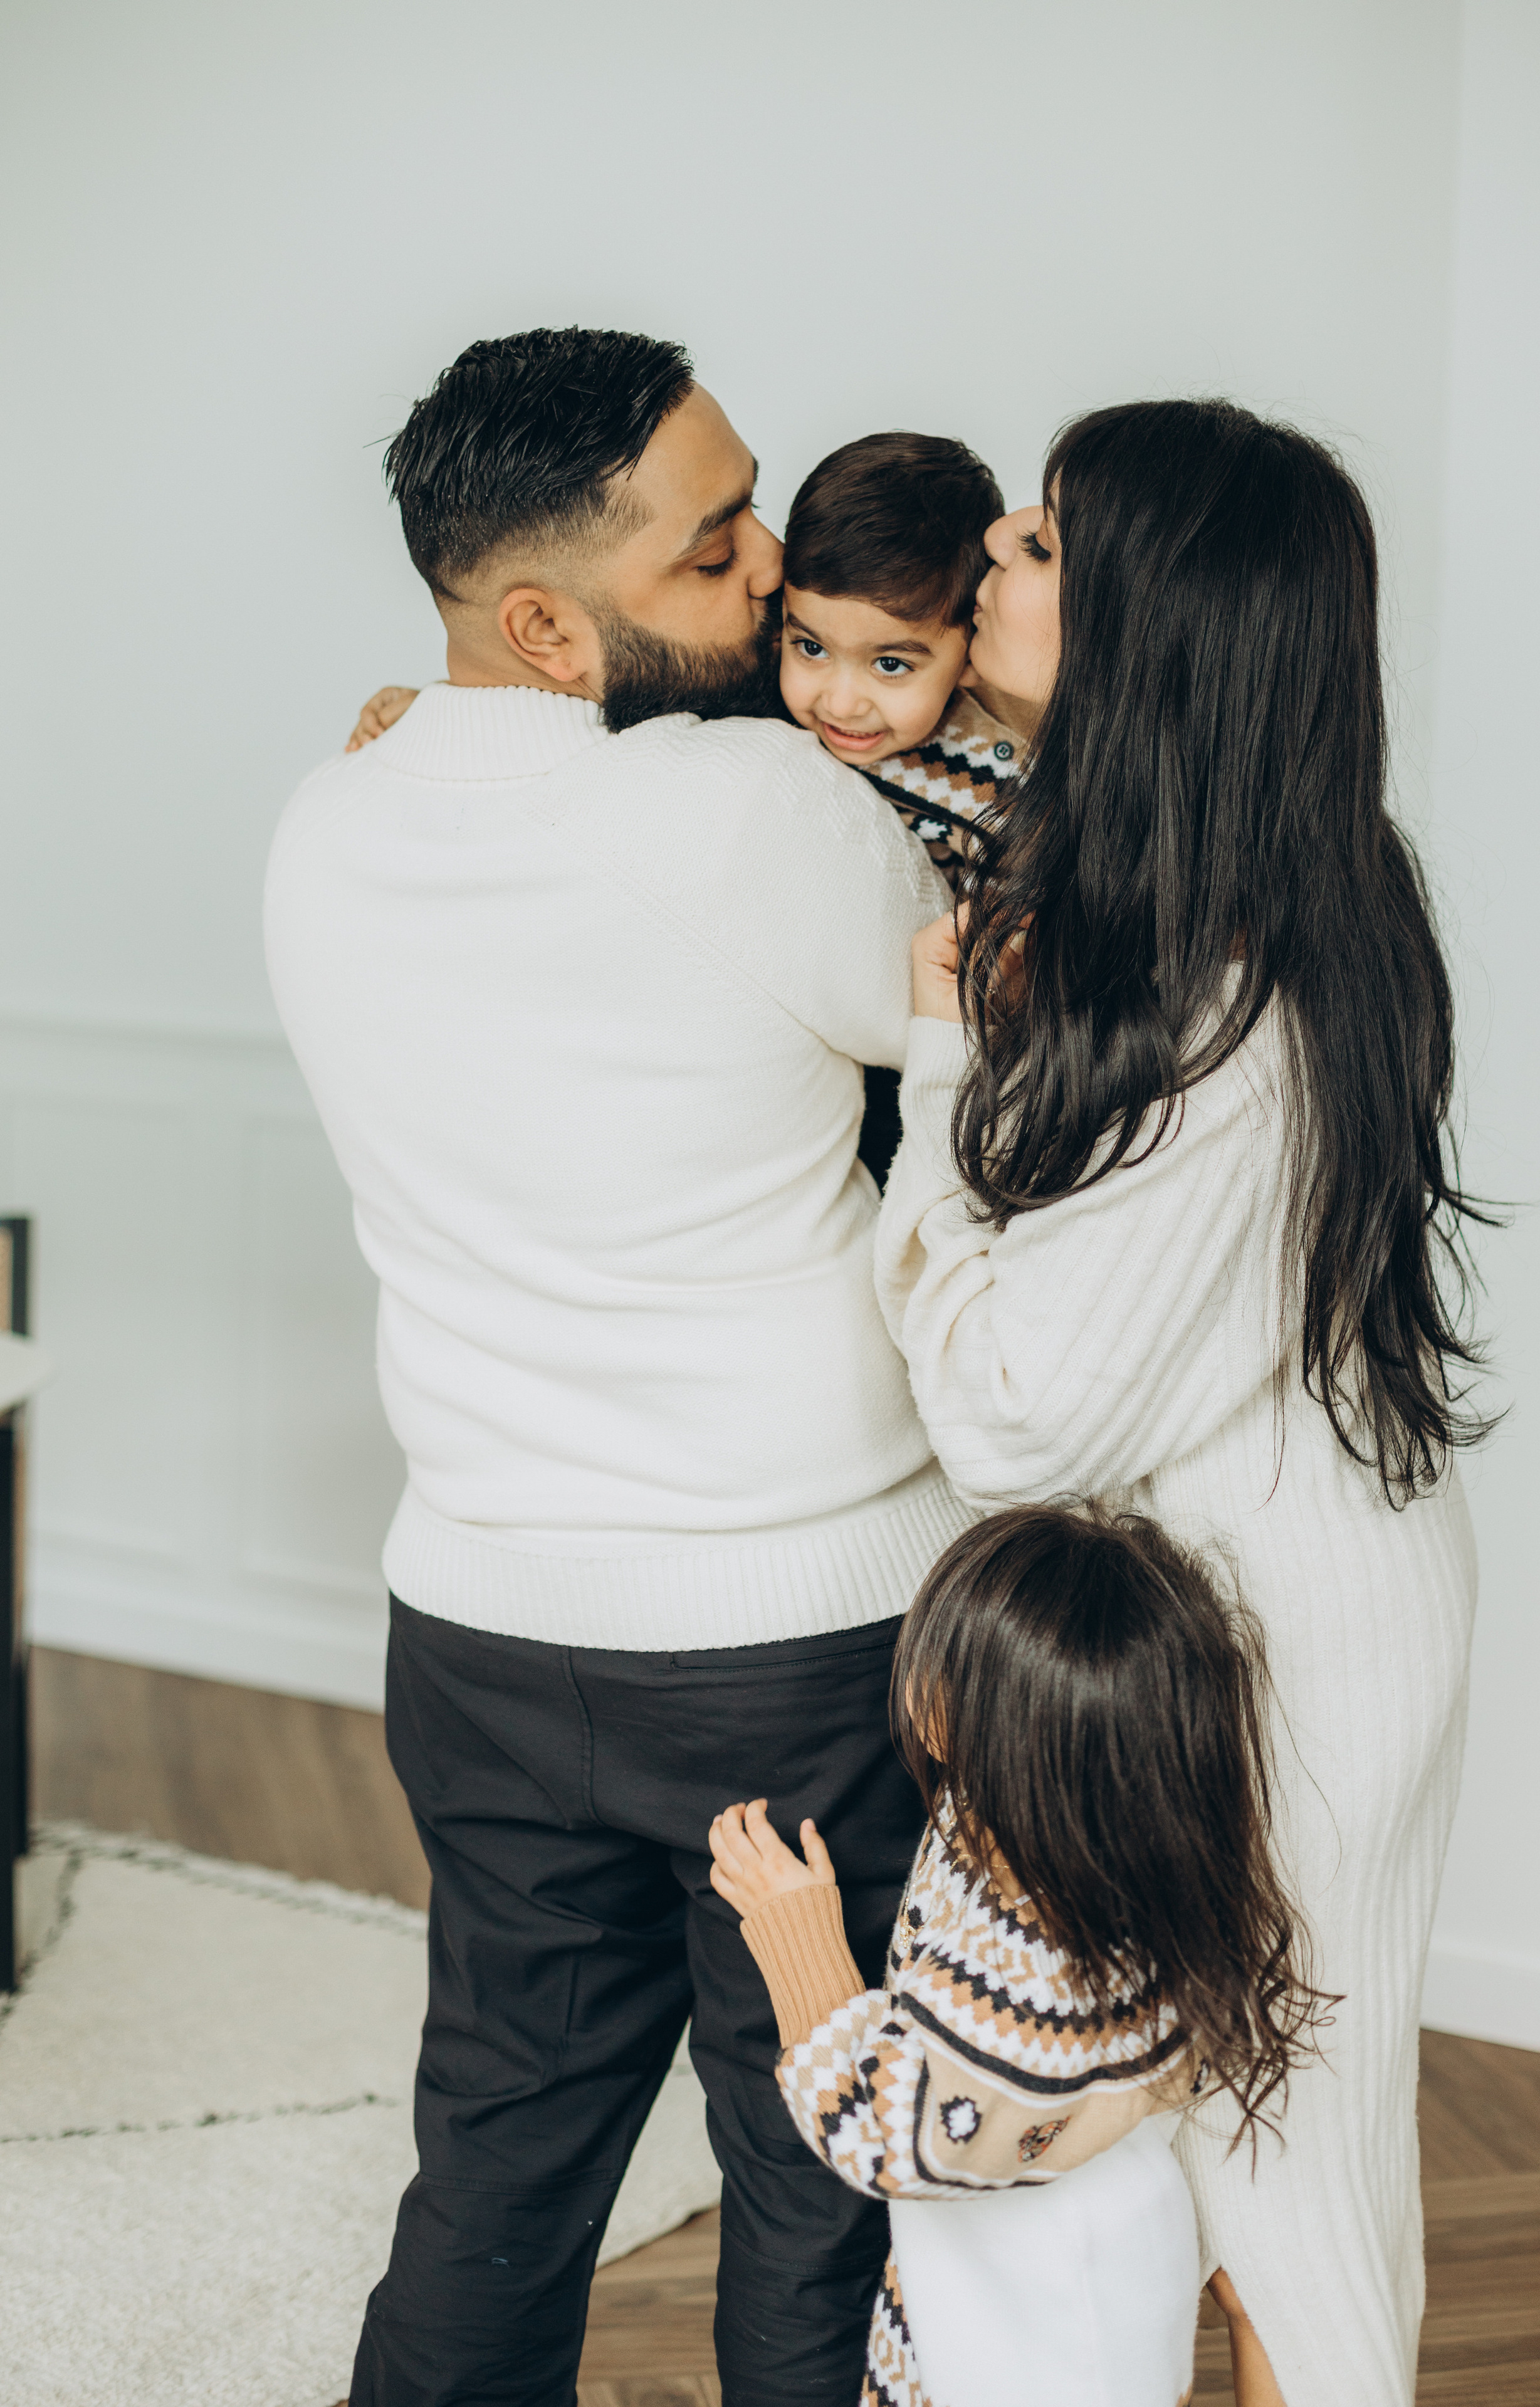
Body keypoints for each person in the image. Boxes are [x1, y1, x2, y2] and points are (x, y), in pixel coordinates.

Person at [265, 325, 975, 2407]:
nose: (774, 571)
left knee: (496, 2164)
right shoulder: (748, 804)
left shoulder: (327, 818)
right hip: (794, 1630)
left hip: (479, 1623)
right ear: (550, 622)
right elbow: (958, 1008)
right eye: (717, 545)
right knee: (814, 2166)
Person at [873, 398, 1485, 2407]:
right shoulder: (1213, 864)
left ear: (1156, 618)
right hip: (1273, 1578)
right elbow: (833, 692)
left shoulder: (1215, 995)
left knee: (1274, 2159)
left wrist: (943, 1069)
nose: (991, 559)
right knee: (1243, 2125)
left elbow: (1015, 1426)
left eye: (1043, 542)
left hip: (1282, 1627)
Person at [711, 1505, 1320, 2407]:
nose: (912, 1684)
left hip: (1052, 2298)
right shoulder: (1060, 1827)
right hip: (988, 2257)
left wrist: (799, 1933)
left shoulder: (1044, 1968)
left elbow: (892, 2136)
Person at [345, 427, 1028, 1187]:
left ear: (967, 646)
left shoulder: (998, 776)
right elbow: (603, 704)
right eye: (809, 647)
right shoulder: (761, 698)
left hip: (942, 1066)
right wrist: (433, 708)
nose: (839, 699)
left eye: (891, 665)